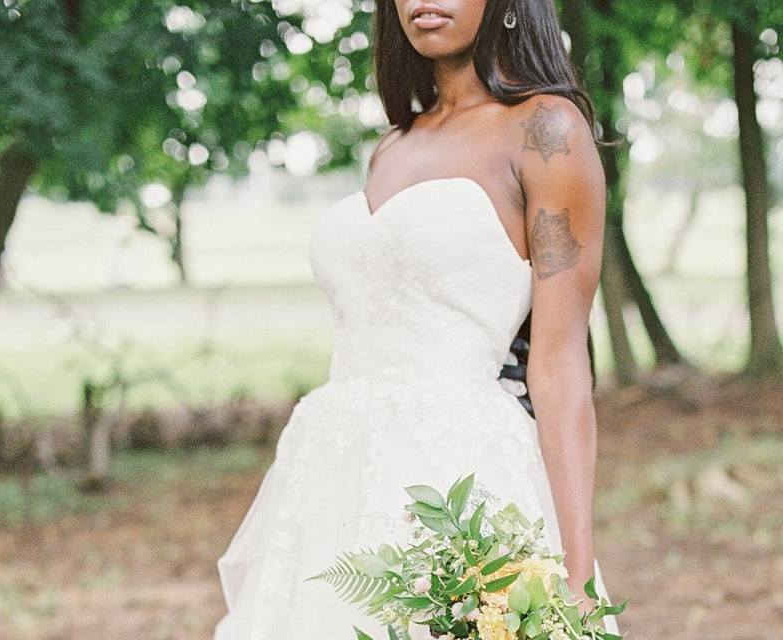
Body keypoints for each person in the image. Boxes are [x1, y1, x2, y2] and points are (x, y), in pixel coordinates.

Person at [213, 0, 619, 637]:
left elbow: (560, 361)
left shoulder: (546, 132)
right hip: (327, 472)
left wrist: (577, 570)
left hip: (458, 473)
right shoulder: (393, 145)